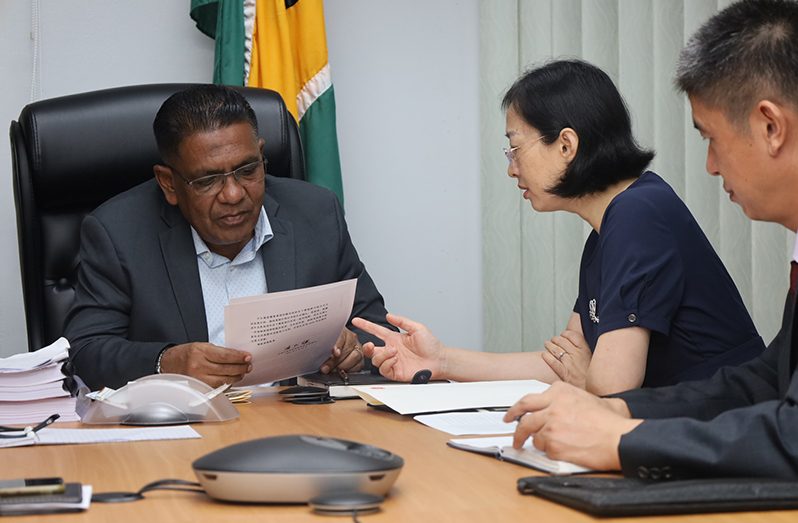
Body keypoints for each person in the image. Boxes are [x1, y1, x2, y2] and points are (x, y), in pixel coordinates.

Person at [499, 0, 798, 479]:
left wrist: (622, 432)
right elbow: (765, 381)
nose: (710, 166)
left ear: (770, 126)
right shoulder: (607, 229)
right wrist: (620, 413)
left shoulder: (638, 211)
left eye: (711, 139)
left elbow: (789, 434)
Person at [353, 59, 764, 395]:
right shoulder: (609, 227)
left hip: (727, 431)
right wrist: (439, 360)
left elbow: (609, 387)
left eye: (515, 148)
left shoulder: (639, 216)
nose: (511, 169)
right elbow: (559, 364)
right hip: (680, 428)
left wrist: (587, 377)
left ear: (567, 145)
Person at [65, 85, 392, 390]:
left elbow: (376, 328)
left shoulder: (316, 213)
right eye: (208, 181)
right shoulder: (118, 233)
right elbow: (85, 353)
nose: (234, 194)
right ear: (168, 183)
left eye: (247, 170)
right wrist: (165, 362)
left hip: (295, 422)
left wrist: (354, 348)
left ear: (261, 155)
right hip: (183, 429)